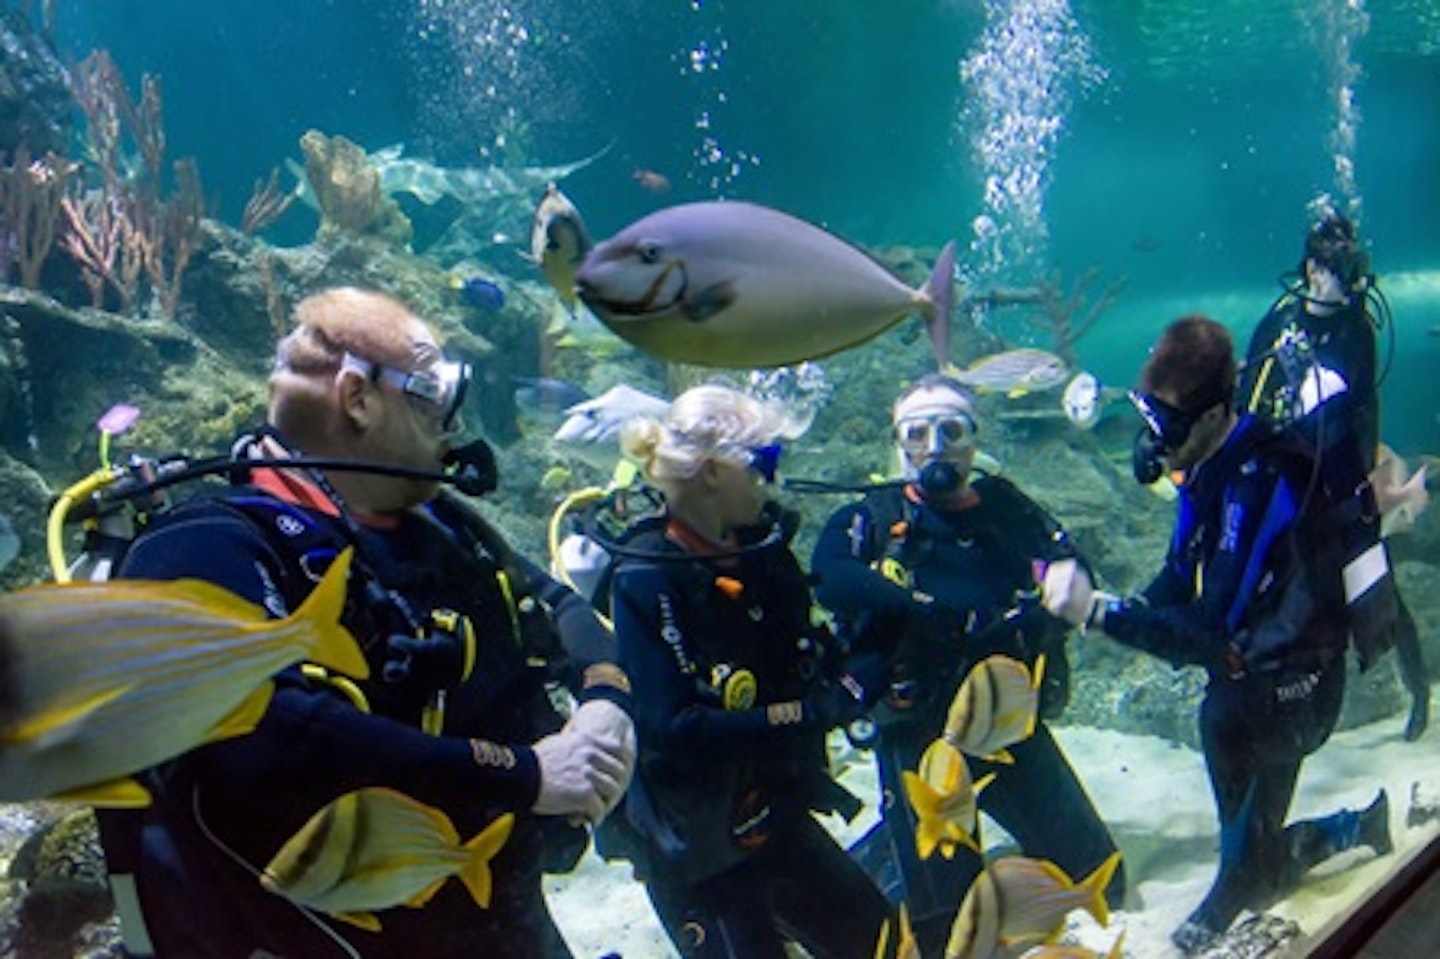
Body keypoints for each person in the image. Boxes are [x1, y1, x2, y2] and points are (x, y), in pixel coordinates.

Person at [96, 287, 636, 959]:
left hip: (500, 915)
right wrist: (525, 774)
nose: (450, 421)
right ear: (357, 396)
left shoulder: (444, 527)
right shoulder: (205, 543)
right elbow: (259, 730)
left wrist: (605, 701)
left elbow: (561, 606)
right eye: (434, 392)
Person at [1043, 315, 1393, 954]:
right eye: (1148, 418)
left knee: (1222, 714)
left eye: (1166, 424)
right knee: (1261, 867)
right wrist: (1128, 609)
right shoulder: (1210, 463)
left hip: (1299, 693)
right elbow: (1180, 575)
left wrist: (1102, 614)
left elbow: (1208, 634)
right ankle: (1353, 828)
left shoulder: (1263, 480)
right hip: (1269, 675)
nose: (1155, 442)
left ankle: (1237, 878)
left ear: (1211, 416)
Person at [809, 373, 1123, 955]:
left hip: (1004, 722)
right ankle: (884, 850)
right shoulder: (874, 515)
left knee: (1101, 881)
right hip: (918, 728)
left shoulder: (1004, 507)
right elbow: (830, 575)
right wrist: (925, 609)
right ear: (898, 442)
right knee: (947, 932)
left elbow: (1067, 561)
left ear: (974, 439)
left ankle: (912, 840)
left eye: (951, 430)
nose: (935, 447)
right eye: (917, 432)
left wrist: (1065, 580)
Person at [606, 384, 895, 959]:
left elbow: (808, 654)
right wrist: (806, 715)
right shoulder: (648, 573)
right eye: (764, 460)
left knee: (890, 946)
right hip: (696, 845)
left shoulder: (765, 554)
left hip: (774, 811)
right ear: (713, 472)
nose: (772, 478)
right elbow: (674, 725)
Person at [1240, 211, 1429, 740]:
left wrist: (1365, 487)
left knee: (1376, 588)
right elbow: (1248, 404)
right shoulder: (1278, 324)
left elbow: (1364, 410)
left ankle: (1418, 691)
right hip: (1287, 485)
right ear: (1310, 270)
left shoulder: (1357, 328)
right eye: (1335, 269)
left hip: (1343, 485)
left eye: (1350, 268)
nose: (1345, 281)